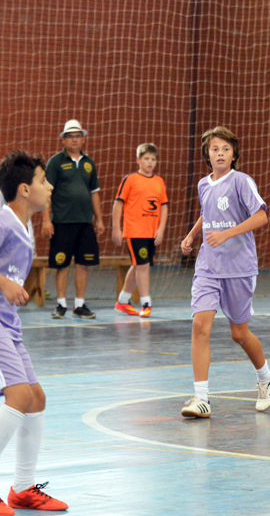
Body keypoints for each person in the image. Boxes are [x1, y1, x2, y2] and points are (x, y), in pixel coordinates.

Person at [179, 126, 270, 418]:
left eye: (225, 148)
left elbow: (261, 216)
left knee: (239, 332)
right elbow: (207, 214)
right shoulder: (203, 185)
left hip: (238, 268)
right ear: (207, 155)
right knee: (200, 327)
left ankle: (266, 377)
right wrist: (192, 235)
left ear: (234, 154)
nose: (220, 153)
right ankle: (201, 398)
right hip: (208, 267)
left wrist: (227, 234)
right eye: (214, 149)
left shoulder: (242, 182)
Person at [0, 150, 68, 513]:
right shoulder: (3, 221)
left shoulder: (23, 226)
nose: (50, 186)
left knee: (36, 398)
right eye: (44, 180)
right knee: (19, 395)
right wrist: (3, 284)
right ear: (24, 189)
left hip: (9, 327)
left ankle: (23, 488)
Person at [41, 120, 104, 319]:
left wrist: (99, 219)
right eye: (70, 136)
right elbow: (46, 193)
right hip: (61, 222)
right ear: (63, 139)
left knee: (83, 264)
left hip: (85, 223)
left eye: (78, 135)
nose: (75, 139)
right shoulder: (56, 162)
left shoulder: (88, 163)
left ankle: (79, 305)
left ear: (83, 139)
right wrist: (46, 220)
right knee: (61, 264)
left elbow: (94, 192)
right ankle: (60, 305)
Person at [112, 143, 169, 318]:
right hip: (135, 231)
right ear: (138, 160)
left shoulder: (159, 181)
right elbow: (118, 203)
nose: (150, 162)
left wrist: (161, 229)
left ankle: (123, 301)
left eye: (153, 159)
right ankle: (146, 303)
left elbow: (164, 206)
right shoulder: (130, 179)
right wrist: (116, 228)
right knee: (143, 266)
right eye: (146, 159)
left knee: (139, 265)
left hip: (151, 232)